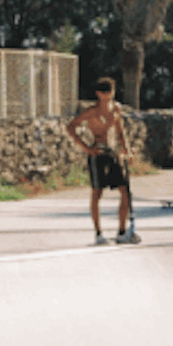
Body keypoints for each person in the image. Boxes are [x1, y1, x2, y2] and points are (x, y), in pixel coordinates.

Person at [65, 77, 140, 245]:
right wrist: (87, 148)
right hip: (97, 154)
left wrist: (126, 150)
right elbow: (71, 127)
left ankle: (122, 232)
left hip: (114, 153)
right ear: (98, 93)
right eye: (105, 91)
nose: (109, 95)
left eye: (111, 91)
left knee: (125, 192)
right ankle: (98, 234)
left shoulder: (116, 109)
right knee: (97, 193)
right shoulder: (91, 112)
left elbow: (120, 131)